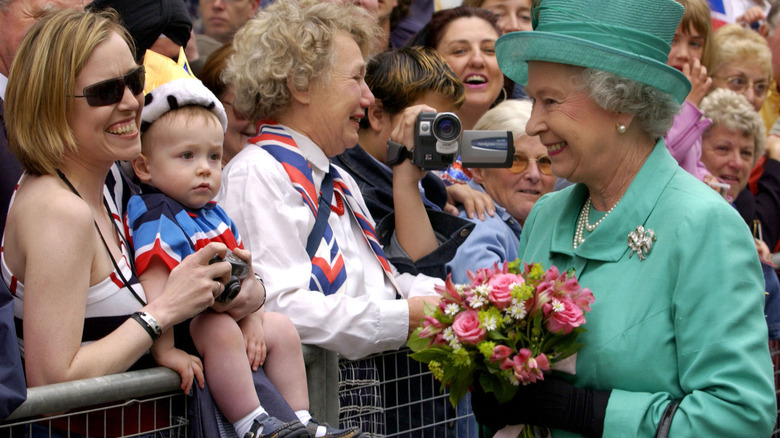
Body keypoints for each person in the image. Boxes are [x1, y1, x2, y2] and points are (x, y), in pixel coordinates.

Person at [470, 0, 777, 436]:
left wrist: (590, 412)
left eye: (550, 100)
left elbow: (740, 418)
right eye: (532, 100)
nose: (534, 124)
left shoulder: (704, 227)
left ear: (622, 104)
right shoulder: (546, 215)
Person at [217, 0, 441, 431]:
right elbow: (278, 306)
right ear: (301, 84)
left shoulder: (335, 176)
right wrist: (406, 317)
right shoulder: (257, 173)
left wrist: (459, 297)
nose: (368, 97)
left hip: (358, 396)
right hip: (299, 411)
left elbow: (376, 283)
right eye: (356, 77)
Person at [128, 74, 354, 437]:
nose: (204, 168)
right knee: (216, 327)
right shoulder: (155, 215)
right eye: (187, 156)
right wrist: (165, 351)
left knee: (279, 326)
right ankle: (251, 423)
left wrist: (251, 320)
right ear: (144, 167)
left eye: (213, 156)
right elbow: (157, 290)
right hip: (186, 326)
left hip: (222, 315)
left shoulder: (213, 212)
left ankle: (299, 419)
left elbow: (242, 277)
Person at [332, 46, 486, 279]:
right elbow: (421, 279)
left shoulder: (423, 181)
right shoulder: (348, 192)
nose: (439, 136)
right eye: (428, 123)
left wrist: (438, 192)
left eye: (445, 124)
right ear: (376, 115)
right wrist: (406, 177)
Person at [697, 88, 780, 341]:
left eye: (746, 153)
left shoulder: (740, 216)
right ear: (694, 148)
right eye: (723, 148)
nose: (737, 163)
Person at [447, 99, 556, 284]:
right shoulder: (481, 227)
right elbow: (487, 308)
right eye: (515, 160)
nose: (534, 175)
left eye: (544, 162)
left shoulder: (536, 225)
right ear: (480, 170)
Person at [407, 6, 506, 185]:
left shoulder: (524, 136)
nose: (477, 60)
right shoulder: (407, 141)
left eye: (490, 50)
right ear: (429, 63)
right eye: (460, 51)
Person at [663, 0, 715, 182]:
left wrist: (706, 178)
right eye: (672, 40)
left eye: (695, 44)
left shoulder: (687, 95)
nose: (684, 53)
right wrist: (690, 106)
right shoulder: (641, 97)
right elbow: (660, 160)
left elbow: (690, 161)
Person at [199, 44, 257, 167]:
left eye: (270, 109)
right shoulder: (189, 180)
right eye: (244, 107)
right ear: (212, 107)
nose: (257, 121)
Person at [711, 23, 772, 113]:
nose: (750, 98)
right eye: (738, 82)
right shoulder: (684, 123)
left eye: (760, 87)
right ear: (708, 80)